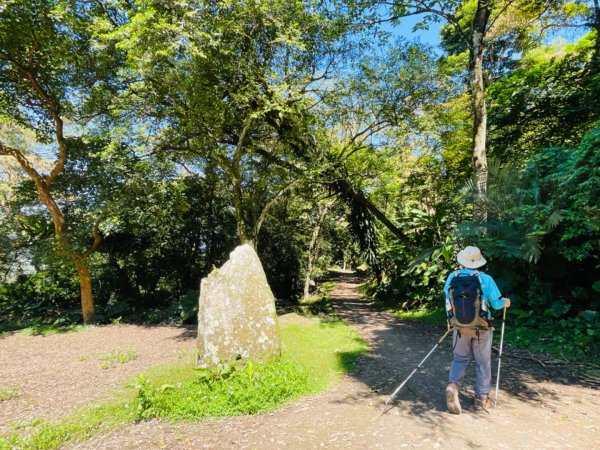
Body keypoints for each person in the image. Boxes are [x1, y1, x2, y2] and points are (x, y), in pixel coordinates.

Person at [443, 246, 510, 414]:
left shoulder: (452, 277)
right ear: (479, 262)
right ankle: (481, 398)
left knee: (459, 359)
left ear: (462, 260)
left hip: (459, 327)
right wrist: (505, 302)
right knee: (483, 363)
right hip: (482, 327)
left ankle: (453, 386)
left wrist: (449, 321)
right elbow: (496, 303)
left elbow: (448, 301)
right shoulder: (485, 279)